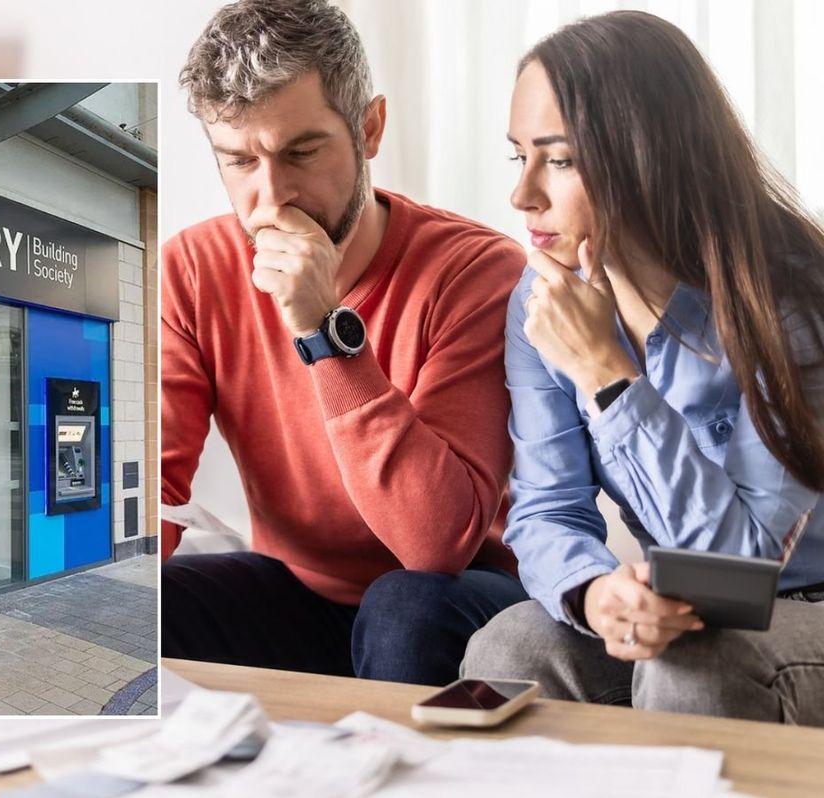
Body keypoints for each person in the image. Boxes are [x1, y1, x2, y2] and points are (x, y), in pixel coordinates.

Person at [461, 10, 824, 725]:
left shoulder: (791, 300)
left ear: (645, 157)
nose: (522, 194)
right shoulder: (541, 299)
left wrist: (605, 372)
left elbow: (744, 571)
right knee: (509, 649)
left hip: (806, 607)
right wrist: (597, 595)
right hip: (691, 602)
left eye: (558, 160)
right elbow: (544, 511)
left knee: (692, 665)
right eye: (519, 156)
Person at [161, 0, 528, 686]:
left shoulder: (477, 272)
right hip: (297, 592)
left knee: (403, 608)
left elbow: (434, 544)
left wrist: (326, 334)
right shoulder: (191, 268)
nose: (271, 199)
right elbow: (153, 486)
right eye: (239, 161)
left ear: (370, 127)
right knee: (142, 603)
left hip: (456, 596)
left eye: (301, 152)